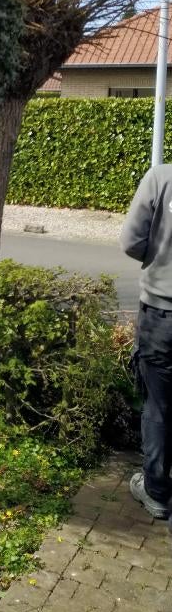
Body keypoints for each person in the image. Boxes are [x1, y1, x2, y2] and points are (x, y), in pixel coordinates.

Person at [120, 162, 172, 519]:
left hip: (161, 314)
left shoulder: (161, 178)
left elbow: (130, 242)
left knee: (159, 405)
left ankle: (155, 491)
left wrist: (157, 257)